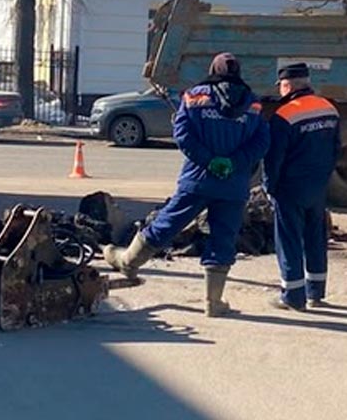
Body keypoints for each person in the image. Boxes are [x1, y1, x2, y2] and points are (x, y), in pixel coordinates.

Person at [102, 53, 269, 317]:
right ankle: (213, 302)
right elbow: (261, 143)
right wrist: (233, 162)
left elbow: (182, 135)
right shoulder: (253, 104)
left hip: (198, 180)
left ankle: (128, 262)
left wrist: (209, 161)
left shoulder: (194, 97)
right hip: (233, 184)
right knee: (224, 237)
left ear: (212, 70)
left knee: (167, 222)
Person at [262, 62, 340, 311]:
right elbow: (337, 148)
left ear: (287, 85)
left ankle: (293, 296)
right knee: (316, 237)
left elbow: (274, 158)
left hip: (290, 187)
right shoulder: (329, 109)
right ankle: (315, 292)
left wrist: (269, 187)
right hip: (318, 186)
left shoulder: (284, 116)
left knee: (289, 240)